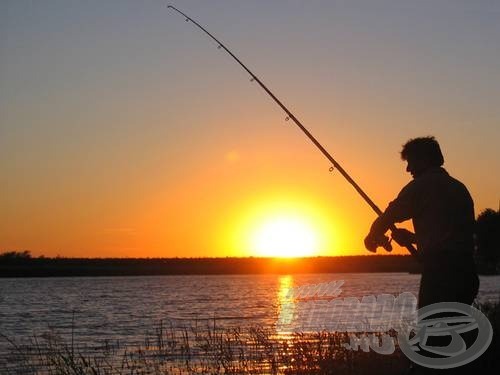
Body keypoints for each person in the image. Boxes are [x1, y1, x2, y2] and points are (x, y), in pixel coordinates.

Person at [364, 136, 479, 308]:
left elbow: (389, 216)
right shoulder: (459, 188)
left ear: (423, 159)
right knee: (457, 330)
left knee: (433, 330)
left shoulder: (420, 186)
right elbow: (451, 235)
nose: (408, 169)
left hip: (440, 274)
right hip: (467, 273)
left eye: (411, 162)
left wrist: (372, 236)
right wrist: (413, 239)